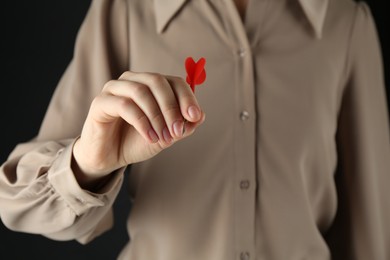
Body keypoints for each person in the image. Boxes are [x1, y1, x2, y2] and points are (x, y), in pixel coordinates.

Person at [0, 0, 389, 259]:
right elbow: (15, 199)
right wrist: (87, 164)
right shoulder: (127, 9)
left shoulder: (346, 22)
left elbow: (370, 223)